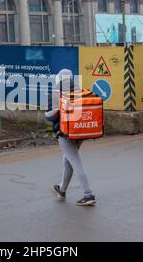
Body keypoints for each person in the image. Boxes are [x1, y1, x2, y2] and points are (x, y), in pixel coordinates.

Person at [45, 69, 96, 206]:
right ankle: (62, 190)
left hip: (64, 134)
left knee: (75, 162)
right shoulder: (80, 90)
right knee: (68, 161)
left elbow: (51, 116)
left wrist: (48, 114)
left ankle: (88, 194)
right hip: (79, 132)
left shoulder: (56, 92)